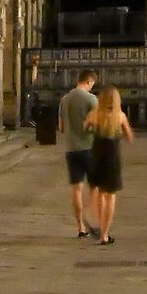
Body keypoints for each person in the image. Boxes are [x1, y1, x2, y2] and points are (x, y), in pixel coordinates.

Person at [85, 84, 133, 244]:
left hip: (97, 155)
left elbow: (85, 128)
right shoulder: (120, 116)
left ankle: (100, 230)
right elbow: (129, 137)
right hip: (113, 156)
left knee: (100, 193)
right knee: (111, 195)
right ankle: (105, 234)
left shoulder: (94, 114)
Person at [58, 68, 98, 238]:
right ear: (89, 81)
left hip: (71, 150)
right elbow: (96, 125)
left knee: (76, 189)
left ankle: (80, 227)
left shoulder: (64, 99)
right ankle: (90, 217)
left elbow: (61, 127)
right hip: (89, 148)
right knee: (95, 186)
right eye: (92, 84)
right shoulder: (91, 99)